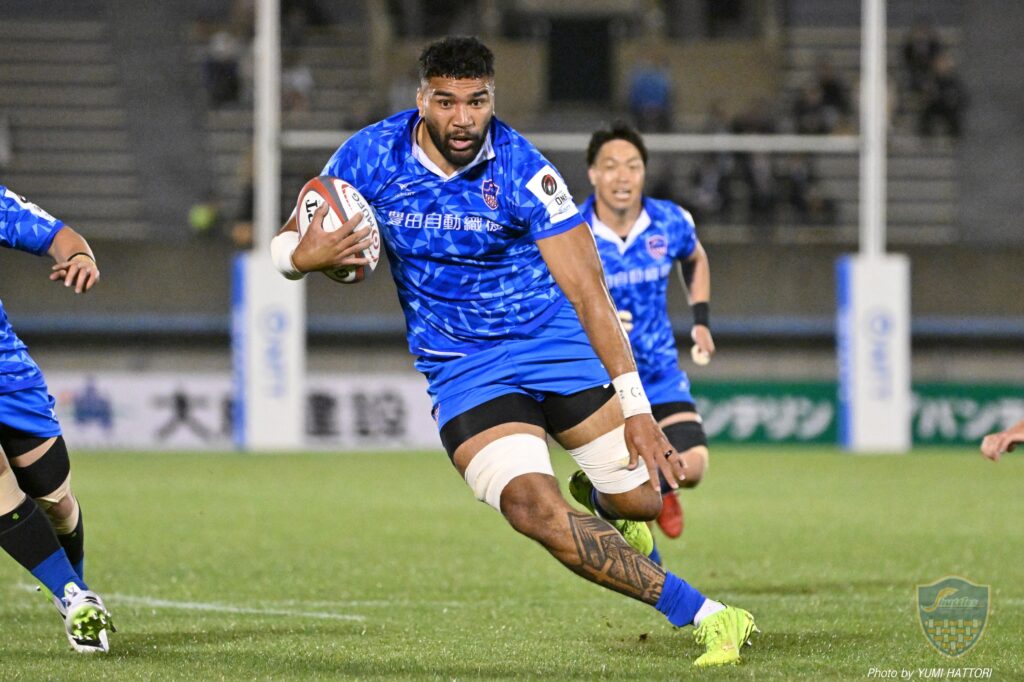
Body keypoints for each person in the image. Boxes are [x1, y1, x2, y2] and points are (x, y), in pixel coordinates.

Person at [270, 36, 756, 667]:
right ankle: (709, 615)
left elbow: (589, 292)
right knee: (533, 507)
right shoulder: (367, 156)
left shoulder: (525, 171)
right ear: (421, 100)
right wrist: (297, 259)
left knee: (641, 500)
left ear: (492, 99)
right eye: (446, 102)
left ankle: (605, 499)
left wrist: (638, 408)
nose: (463, 118)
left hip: (552, 341)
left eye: (477, 102)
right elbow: (290, 239)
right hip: (463, 367)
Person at [575, 122, 715, 550]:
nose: (622, 176)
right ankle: (628, 513)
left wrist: (701, 319)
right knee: (632, 488)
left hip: (658, 371)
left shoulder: (670, 221)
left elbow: (695, 258)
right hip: (603, 381)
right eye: (611, 166)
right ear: (593, 173)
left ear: (643, 173)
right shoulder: (573, 231)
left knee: (693, 467)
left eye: (632, 166)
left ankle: (656, 492)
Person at [0, 185, 114, 653]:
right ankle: (74, 597)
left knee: (57, 501)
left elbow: (59, 236)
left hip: (8, 372)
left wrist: (81, 257)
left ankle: (74, 591)